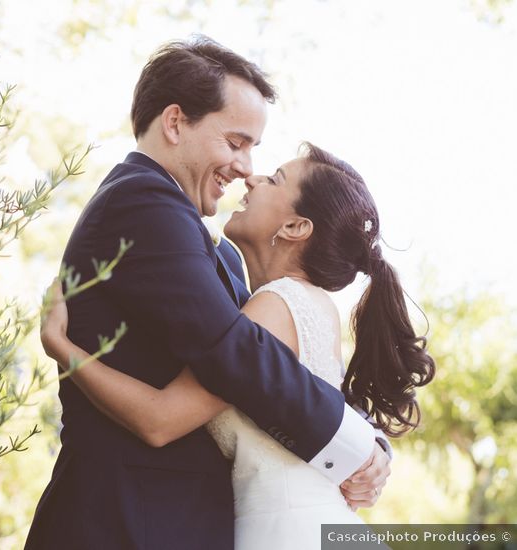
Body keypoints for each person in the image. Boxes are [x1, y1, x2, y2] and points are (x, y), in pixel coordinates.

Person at [24, 36, 393, 550]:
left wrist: (366, 445)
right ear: (176, 123)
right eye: (235, 142)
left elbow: (268, 359)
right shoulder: (143, 202)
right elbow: (234, 351)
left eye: (255, 152)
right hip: (125, 520)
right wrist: (354, 447)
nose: (246, 169)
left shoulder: (219, 256)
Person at [39, 143, 436, 548]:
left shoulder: (276, 307)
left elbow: (160, 421)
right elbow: (311, 397)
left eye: (275, 179)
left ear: (295, 227)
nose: (252, 177)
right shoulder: (299, 304)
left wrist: (62, 348)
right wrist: (369, 446)